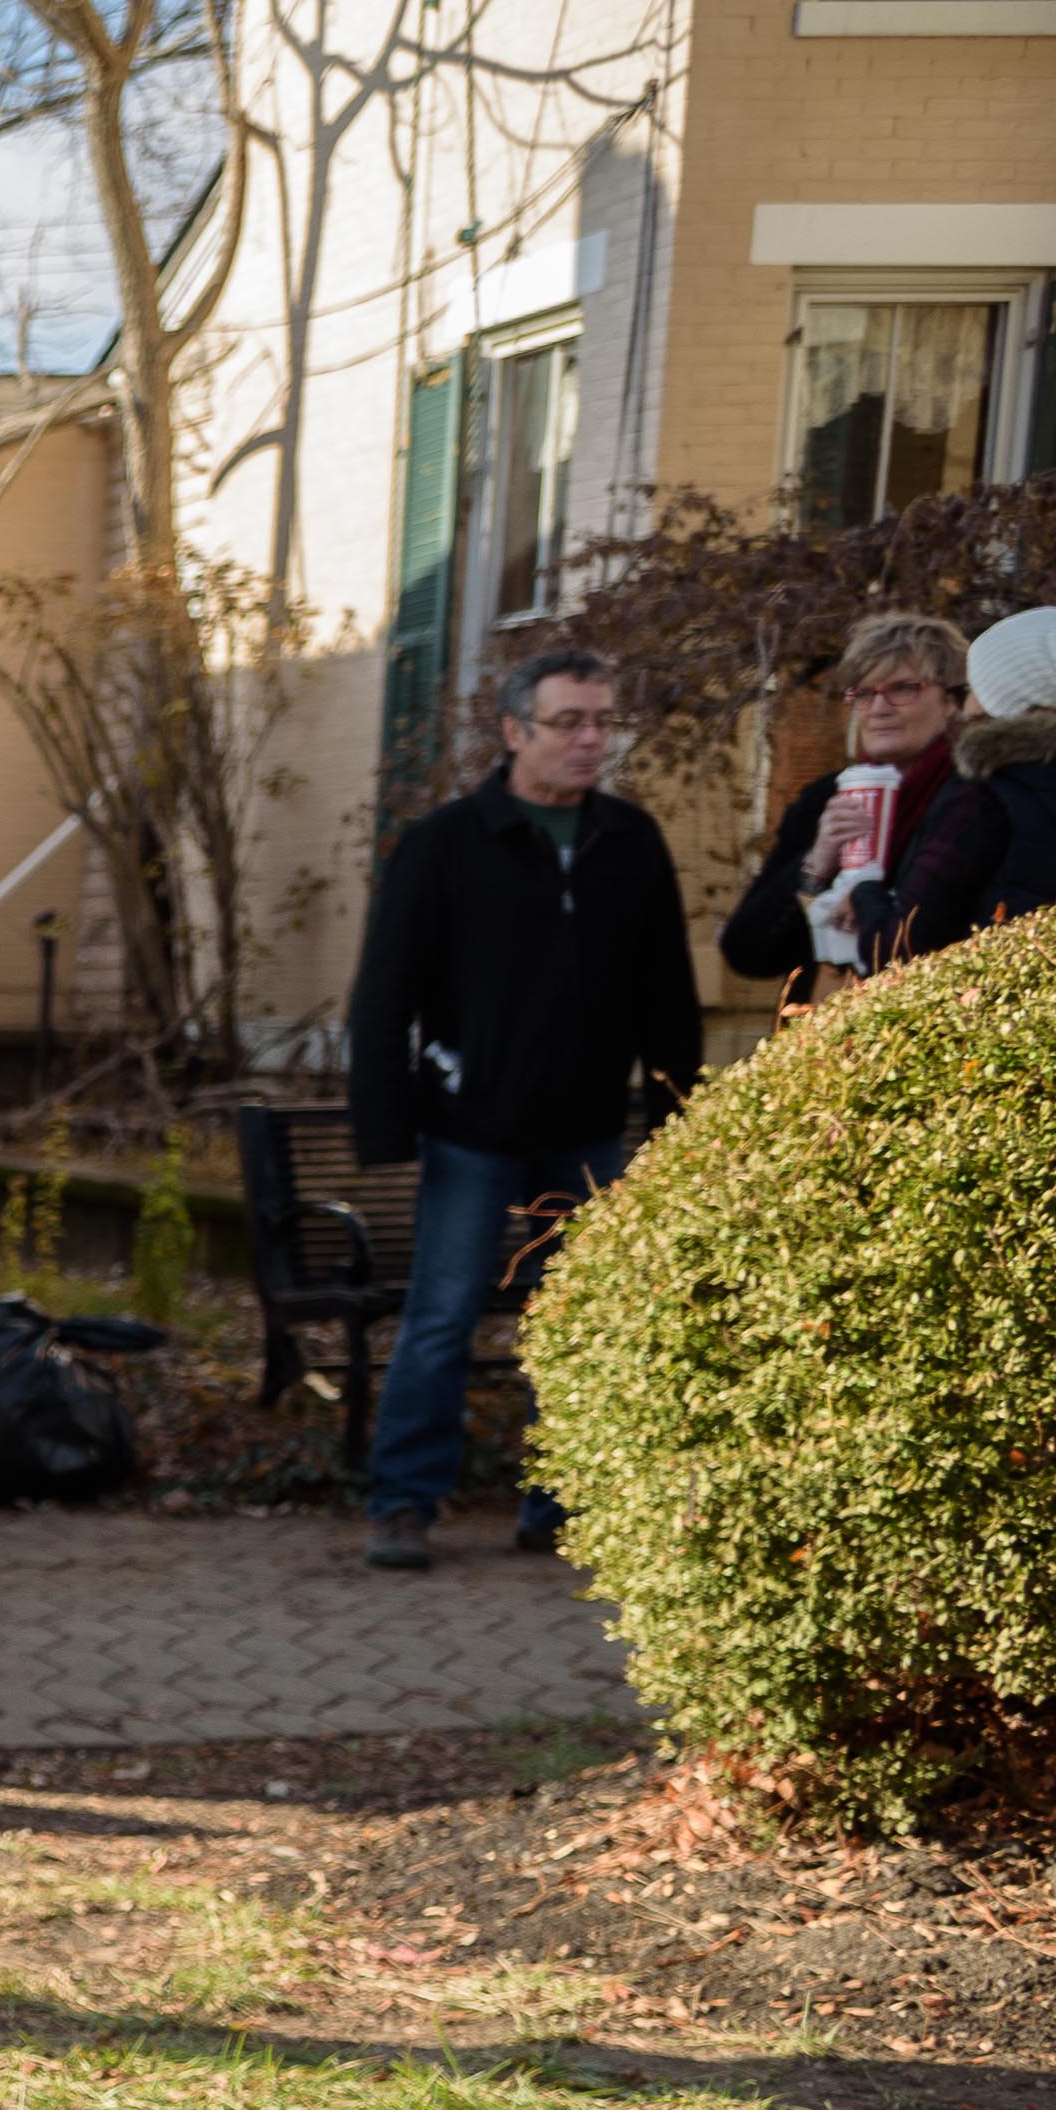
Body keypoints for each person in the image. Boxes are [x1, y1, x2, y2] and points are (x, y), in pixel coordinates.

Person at [340, 642, 699, 1572]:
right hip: (472, 1131)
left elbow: (667, 990)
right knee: (444, 1312)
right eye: (567, 722)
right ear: (514, 732)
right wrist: (386, 1127)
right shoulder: (444, 845)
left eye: (600, 723)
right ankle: (404, 1504)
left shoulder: (631, 840)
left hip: (589, 1131)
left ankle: (560, 1502)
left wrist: (674, 1115)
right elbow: (384, 996)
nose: (589, 741)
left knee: (587, 1318)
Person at [719, 613, 964, 991]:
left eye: (902, 689)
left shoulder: (974, 798)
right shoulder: (825, 799)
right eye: (863, 694)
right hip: (825, 1033)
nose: (878, 709)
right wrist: (816, 864)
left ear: (951, 700)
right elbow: (748, 953)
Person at [892, 604, 1056, 944]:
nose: (964, 706)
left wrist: (863, 892)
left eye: (971, 689)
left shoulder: (989, 791)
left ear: (1004, 699)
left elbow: (908, 940)